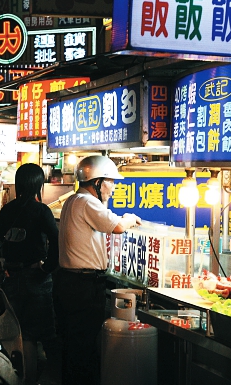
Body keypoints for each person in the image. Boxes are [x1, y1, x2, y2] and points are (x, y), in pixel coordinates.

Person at [55, 155, 141, 385]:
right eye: (110, 182)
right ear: (97, 181)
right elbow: (119, 226)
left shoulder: (74, 200)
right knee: (83, 345)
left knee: (74, 345)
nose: (112, 188)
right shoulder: (87, 202)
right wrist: (131, 218)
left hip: (70, 283)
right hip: (83, 286)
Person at [0, 163, 59, 385]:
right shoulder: (41, 211)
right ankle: (38, 378)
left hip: (11, 277)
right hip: (36, 277)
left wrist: (1, 263)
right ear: (38, 184)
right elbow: (57, 241)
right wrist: (48, 267)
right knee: (41, 332)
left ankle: (19, 376)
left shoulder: (9, 209)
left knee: (18, 331)